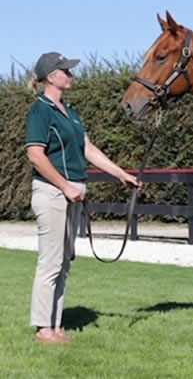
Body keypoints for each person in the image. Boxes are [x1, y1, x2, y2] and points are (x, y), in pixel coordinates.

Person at [25, 52, 142, 345]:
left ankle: (56, 324)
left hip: (73, 194)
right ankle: (43, 329)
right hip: (52, 193)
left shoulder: (71, 112)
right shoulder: (40, 111)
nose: (71, 75)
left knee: (65, 262)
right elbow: (35, 155)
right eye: (66, 70)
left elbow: (89, 150)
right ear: (51, 77)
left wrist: (120, 174)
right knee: (51, 262)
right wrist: (65, 186)